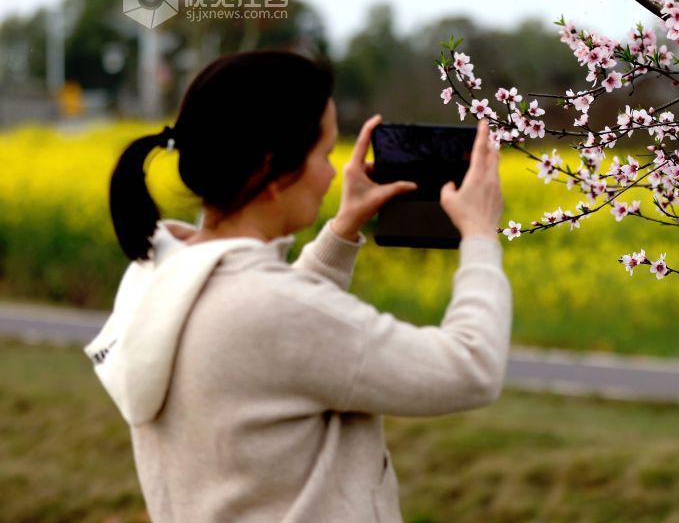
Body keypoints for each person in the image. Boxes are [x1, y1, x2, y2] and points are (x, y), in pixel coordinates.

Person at [84, 47, 511, 523]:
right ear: (272, 171)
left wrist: (342, 229)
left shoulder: (158, 276)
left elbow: (269, 343)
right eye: (325, 154)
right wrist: (479, 237)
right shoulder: (272, 309)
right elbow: (471, 368)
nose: (333, 173)